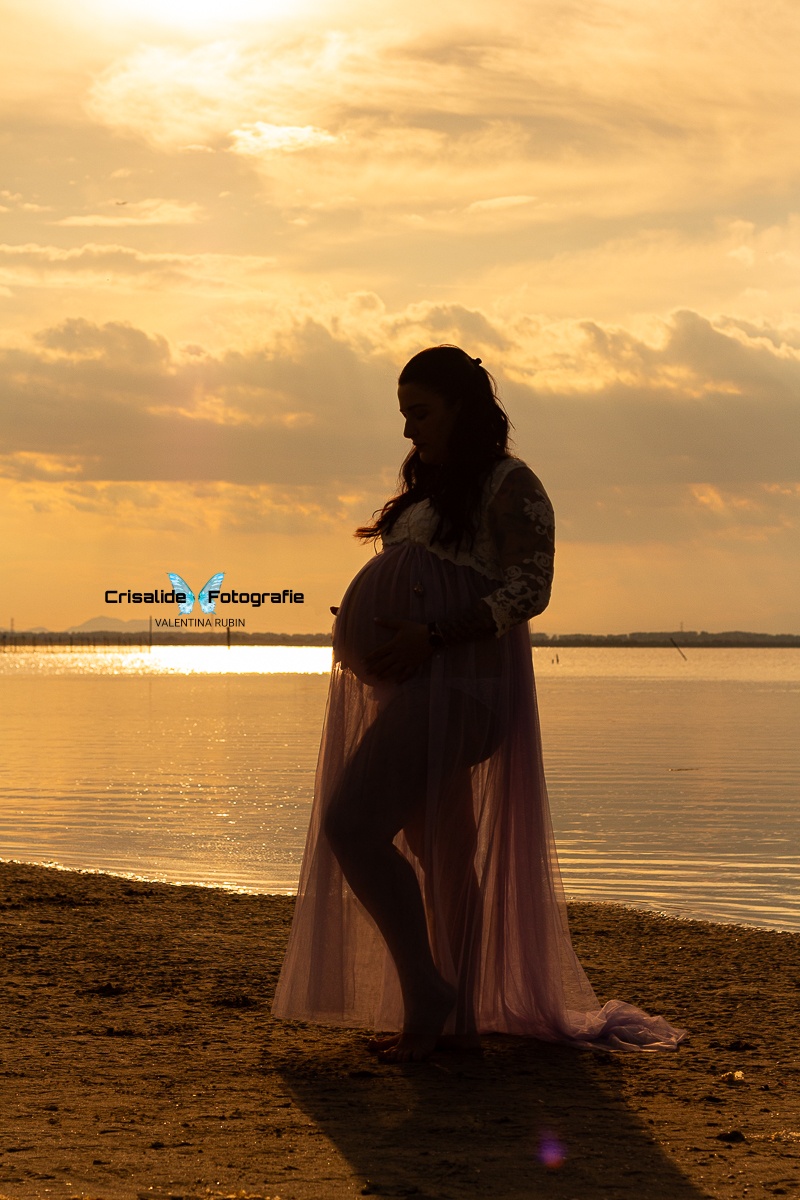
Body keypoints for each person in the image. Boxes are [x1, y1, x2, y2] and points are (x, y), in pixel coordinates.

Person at [272, 344, 686, 1061]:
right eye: (404, 416)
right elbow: (429, 578)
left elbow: (530, 589)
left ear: (463, 408)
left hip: (464, 690)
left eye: (421, 414)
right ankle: (450, 1013)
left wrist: (429, 630)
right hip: (422, 685)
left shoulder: (509, 483)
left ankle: (429, 992)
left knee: (351, 824)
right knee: (443, 849)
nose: (409, 432)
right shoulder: (429, 489)